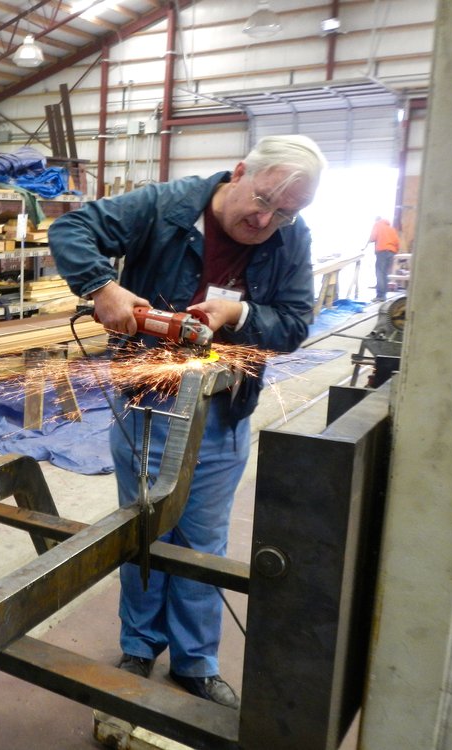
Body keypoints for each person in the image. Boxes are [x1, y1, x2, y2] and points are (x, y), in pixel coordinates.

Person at [48, 135, 326, 709]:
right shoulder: (167, 206)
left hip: (222, 414)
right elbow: (71, 229)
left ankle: (196, 662)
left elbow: (295, 324)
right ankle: (140, 646)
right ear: (241, 171)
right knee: (146, 533)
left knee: (201, 542)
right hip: (146, 408)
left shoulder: (291, 238)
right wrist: (102, 287)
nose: (265, 218)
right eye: (264, 199)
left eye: (284, 212)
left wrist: (239, 313)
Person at [366, 216, 400, 302]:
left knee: (380, 273)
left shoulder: (377, 225)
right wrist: (395, 251)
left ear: (377, 220)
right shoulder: (391, 229)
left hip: (382, 251)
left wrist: (368, 241)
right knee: (385, 273)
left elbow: (373, 237)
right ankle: (384, 295)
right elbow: (397, 242)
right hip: (391, 252)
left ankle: (380, 295)